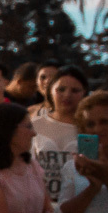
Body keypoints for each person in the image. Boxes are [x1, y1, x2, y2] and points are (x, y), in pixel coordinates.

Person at [31, 65, 88, 200]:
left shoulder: (90, 127)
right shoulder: (34, 124)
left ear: (84, 93)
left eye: (75, 90)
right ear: (51, 91)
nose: (67, 95)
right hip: (40, 203)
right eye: (61, 89)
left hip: (78, 203)